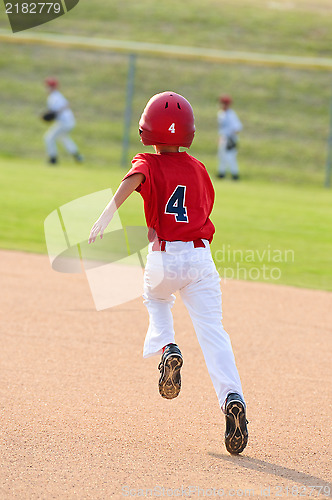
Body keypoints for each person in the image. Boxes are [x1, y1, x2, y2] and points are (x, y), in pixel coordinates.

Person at [88, 91, 248, 454]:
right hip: (200, 259)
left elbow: (133, 180)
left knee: (155, 298)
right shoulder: (198, 168)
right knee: (214, 334)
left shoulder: (146, 159)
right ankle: (232, 398)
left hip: (164, 256)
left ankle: (168, 347)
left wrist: (106, 214)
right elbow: (205, 208)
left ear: (147, 130)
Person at [43, 77, 83, 165]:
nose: (47, 88)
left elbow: (65, 106)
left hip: (64, 122)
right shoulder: (57, 95)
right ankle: (77, 156)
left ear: (53, 87)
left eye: (49, 86)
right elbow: (66, 104)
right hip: (69, 121)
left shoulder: (54, 96)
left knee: (48, 138)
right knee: (64, 138)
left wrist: (54, 113)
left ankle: (53, 159)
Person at [217, 94, 243, 180]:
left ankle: (235, 174)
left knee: (230, 157)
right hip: (223, 138)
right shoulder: (221, 114)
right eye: (222, 103)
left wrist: (231, 137)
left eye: (225, 103)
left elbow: (238, 127)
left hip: (230, 138)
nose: (223, 105)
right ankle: (221, 173)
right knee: (222, 156)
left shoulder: (231, 114)